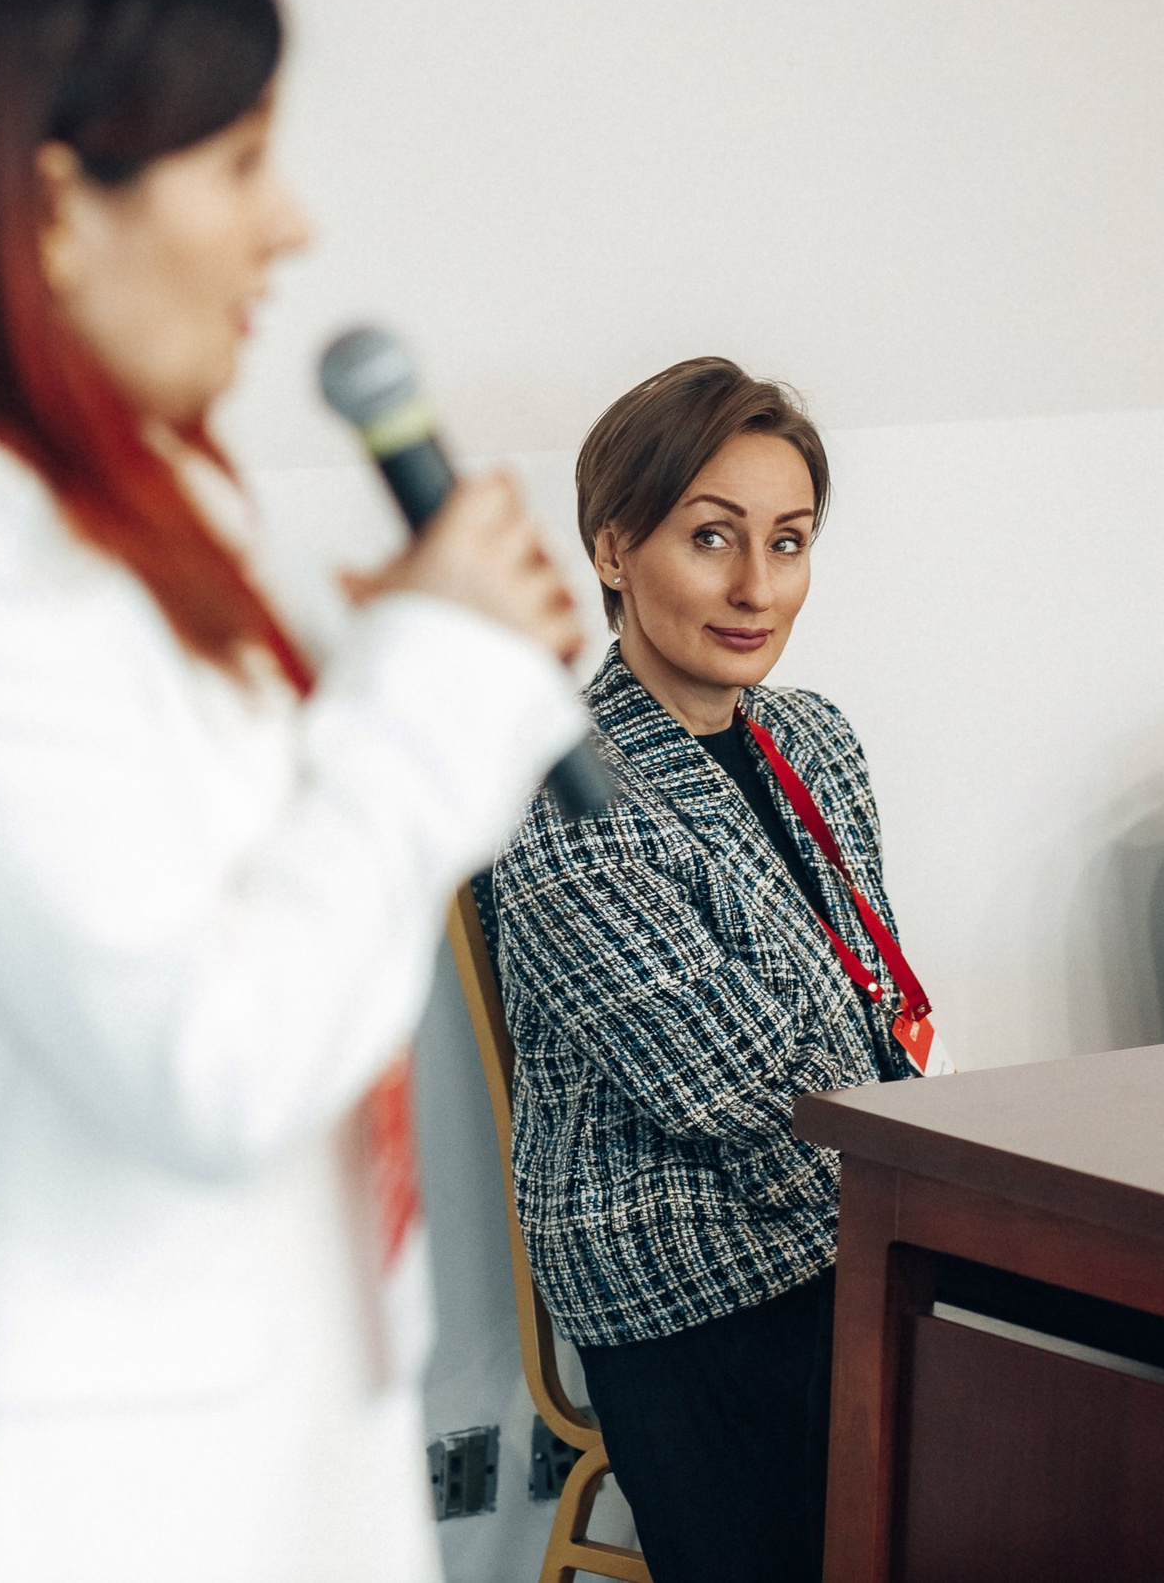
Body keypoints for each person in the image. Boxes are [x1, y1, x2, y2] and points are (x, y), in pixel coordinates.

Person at [0, 0, 588, 1579]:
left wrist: (404, 656)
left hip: (273, 1441)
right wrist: (422, 686)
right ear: (53, 203)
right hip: (83, 1500)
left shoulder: (136, 509)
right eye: (243, 163)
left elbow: (297, 891)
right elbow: (215, 1051)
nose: (293, 227)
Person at [487, 358, 914, 1583]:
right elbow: (737, 1094)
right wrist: (935, 1192)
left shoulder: (810, 737)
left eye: (788, 544)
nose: (754, 588)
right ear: (614, 549)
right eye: (711, 538)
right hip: (687, 1277)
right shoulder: (561, 789)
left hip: (855, 1216)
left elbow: (869, 1018)